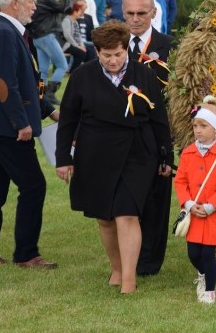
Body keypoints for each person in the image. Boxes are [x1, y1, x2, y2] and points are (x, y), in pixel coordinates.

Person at [55, 21, 174, 294]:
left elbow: (159, 120)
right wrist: (64, 159)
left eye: (118, 54)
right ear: (96, 51)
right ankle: (117, 268)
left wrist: (166, 155)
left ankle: (129, 281)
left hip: (138, 153)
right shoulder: (82, 76)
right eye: (106, 55)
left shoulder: (144, 75)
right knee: (105, 218)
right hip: (94, 154)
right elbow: (68, 121)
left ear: (126, 51)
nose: (113, 60)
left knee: (126, 213)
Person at [0, 0, 59, 268]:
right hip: (5, 128)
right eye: (31, 0)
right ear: (15, 4)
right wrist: (21, 123)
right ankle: (26, 254)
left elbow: (27, 83)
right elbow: (4, 84)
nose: (35, 6)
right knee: (33, 185)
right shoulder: (3, 33)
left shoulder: (11, 32)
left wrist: (48, 112)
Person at [122, 0, 176, 276]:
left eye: (141, 13)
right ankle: (126, 255)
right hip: (120, 133)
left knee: (155, 198)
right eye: (129, 13)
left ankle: (149, 261)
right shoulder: (114, 45)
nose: (135, 19)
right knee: (125, 198)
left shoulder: (170, 46)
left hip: (156, 132)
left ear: (154, 13)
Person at [173, 96, 216, 304]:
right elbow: (180, 181)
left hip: (212, 214)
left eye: (203, 126)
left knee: (208, 252)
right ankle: (202, 274)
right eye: (195, 126)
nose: (198, 130)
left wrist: (210, 206)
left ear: (215, 129)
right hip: (194, 212)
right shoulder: (189, 153)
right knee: (193, 253)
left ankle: (210, 290)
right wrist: (189, 204)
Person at [28, 0, 71, 104]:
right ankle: (50, 93)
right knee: (62, 65)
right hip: (47, 36)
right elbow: (66, 9)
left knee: (43, 70)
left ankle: (40, 95)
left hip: (37, 38)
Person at [62, 1, 92, 72]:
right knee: (81, 53)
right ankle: (72, 71)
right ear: (75, 12)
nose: (81, 13)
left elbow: (79, 36)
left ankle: (87, 70)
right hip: (65, 45)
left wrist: (82, 46)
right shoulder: (67, 20)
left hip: (73, 45)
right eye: (79, 11)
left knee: (90, 52)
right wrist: (77, 46)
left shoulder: (75, 21)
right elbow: (67, 35)